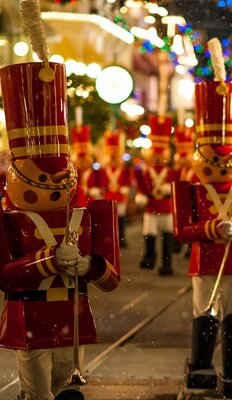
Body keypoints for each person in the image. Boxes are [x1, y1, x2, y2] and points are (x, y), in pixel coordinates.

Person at [0, 61, 120, 400]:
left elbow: (110, 279)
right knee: (38, 393)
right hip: (31, 318)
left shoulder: (86, 216)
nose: (53, 189)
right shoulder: (10, 220)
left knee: (67, 391)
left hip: (74, 316)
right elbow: (4, 277)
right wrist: (49, 260)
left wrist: (90, 266)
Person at [172, 76, 232, 398]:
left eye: (226, 158)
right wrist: (212, 230)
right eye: (213, 158)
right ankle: (201, 365)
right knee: (204, 311)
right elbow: (182, 232)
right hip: (205, 261)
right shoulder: (190, 190)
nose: (221, 164)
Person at [134, 115, 179, 276]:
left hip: (165, 206)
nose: (159, 159)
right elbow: (142, 186)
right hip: (152, 206)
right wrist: (141, 195)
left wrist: (171, 189)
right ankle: (150, 258)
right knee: (149, 234)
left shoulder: (171, 172)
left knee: (167, 236)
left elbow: (177, 186)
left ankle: (166, 264)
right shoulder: (146, 172)